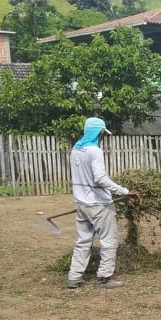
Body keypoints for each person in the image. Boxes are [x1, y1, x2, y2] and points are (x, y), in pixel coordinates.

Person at [66, 117, 138, 289]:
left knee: (83, 240)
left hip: (82, 203)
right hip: (98, 204)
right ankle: (104, 278)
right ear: (99, 133)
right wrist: (125, 191)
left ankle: (74, 277)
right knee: (109, 240)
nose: (103, 137)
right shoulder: (94, 150)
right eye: (103, 134)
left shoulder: (76, 148)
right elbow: (100, 178)